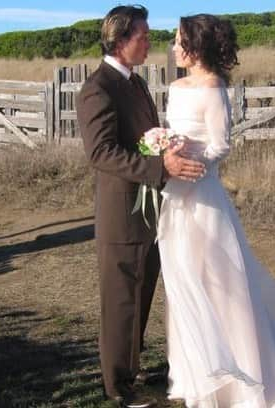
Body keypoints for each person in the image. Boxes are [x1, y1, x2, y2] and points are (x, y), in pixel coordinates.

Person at [158, 14, 275, 407]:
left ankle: (242, 379)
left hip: (203, 197)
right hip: (174, 197)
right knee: (183, 281)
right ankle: (197, 373)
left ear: (196, 45)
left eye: (178, 41)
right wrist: (163, 150)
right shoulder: (175, 86)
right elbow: (170, 130)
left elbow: (220, 144)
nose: (173, 47)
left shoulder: (214, 88)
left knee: (220, 285)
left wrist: (194, 163)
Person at [75, 5, 206, 408]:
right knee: (120, 302)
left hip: (150, 212)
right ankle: (117, 387)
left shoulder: (136, 84)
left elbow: (144, 136)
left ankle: (129, 370)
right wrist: (159, 165)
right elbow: (101, 153)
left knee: (141, 295)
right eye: (143, 36)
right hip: (122, 215)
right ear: (119, 41)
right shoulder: (98, 88)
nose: (150, 42)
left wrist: (166, 144)